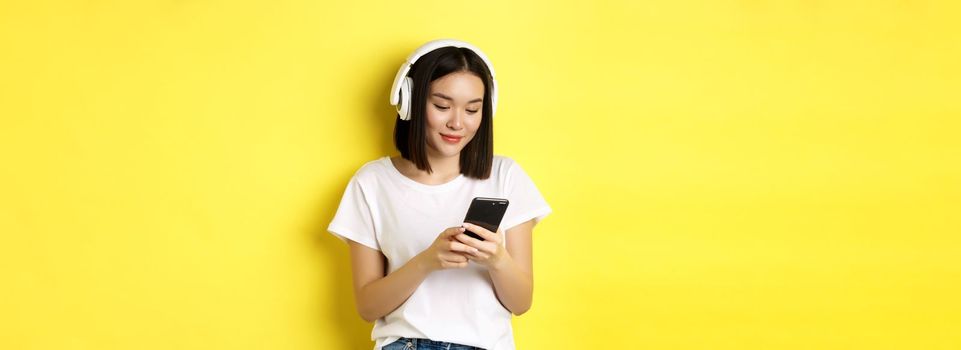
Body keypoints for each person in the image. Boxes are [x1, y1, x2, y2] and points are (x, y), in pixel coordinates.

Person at [327, 39, 552, 350]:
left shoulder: (506, 176)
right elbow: (367, 307)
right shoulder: (372, 182)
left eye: (472, 109)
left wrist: (497, 259)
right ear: (410, 102)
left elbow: (521, 302)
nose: (457, 122)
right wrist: (427, 261)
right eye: (442, 106)